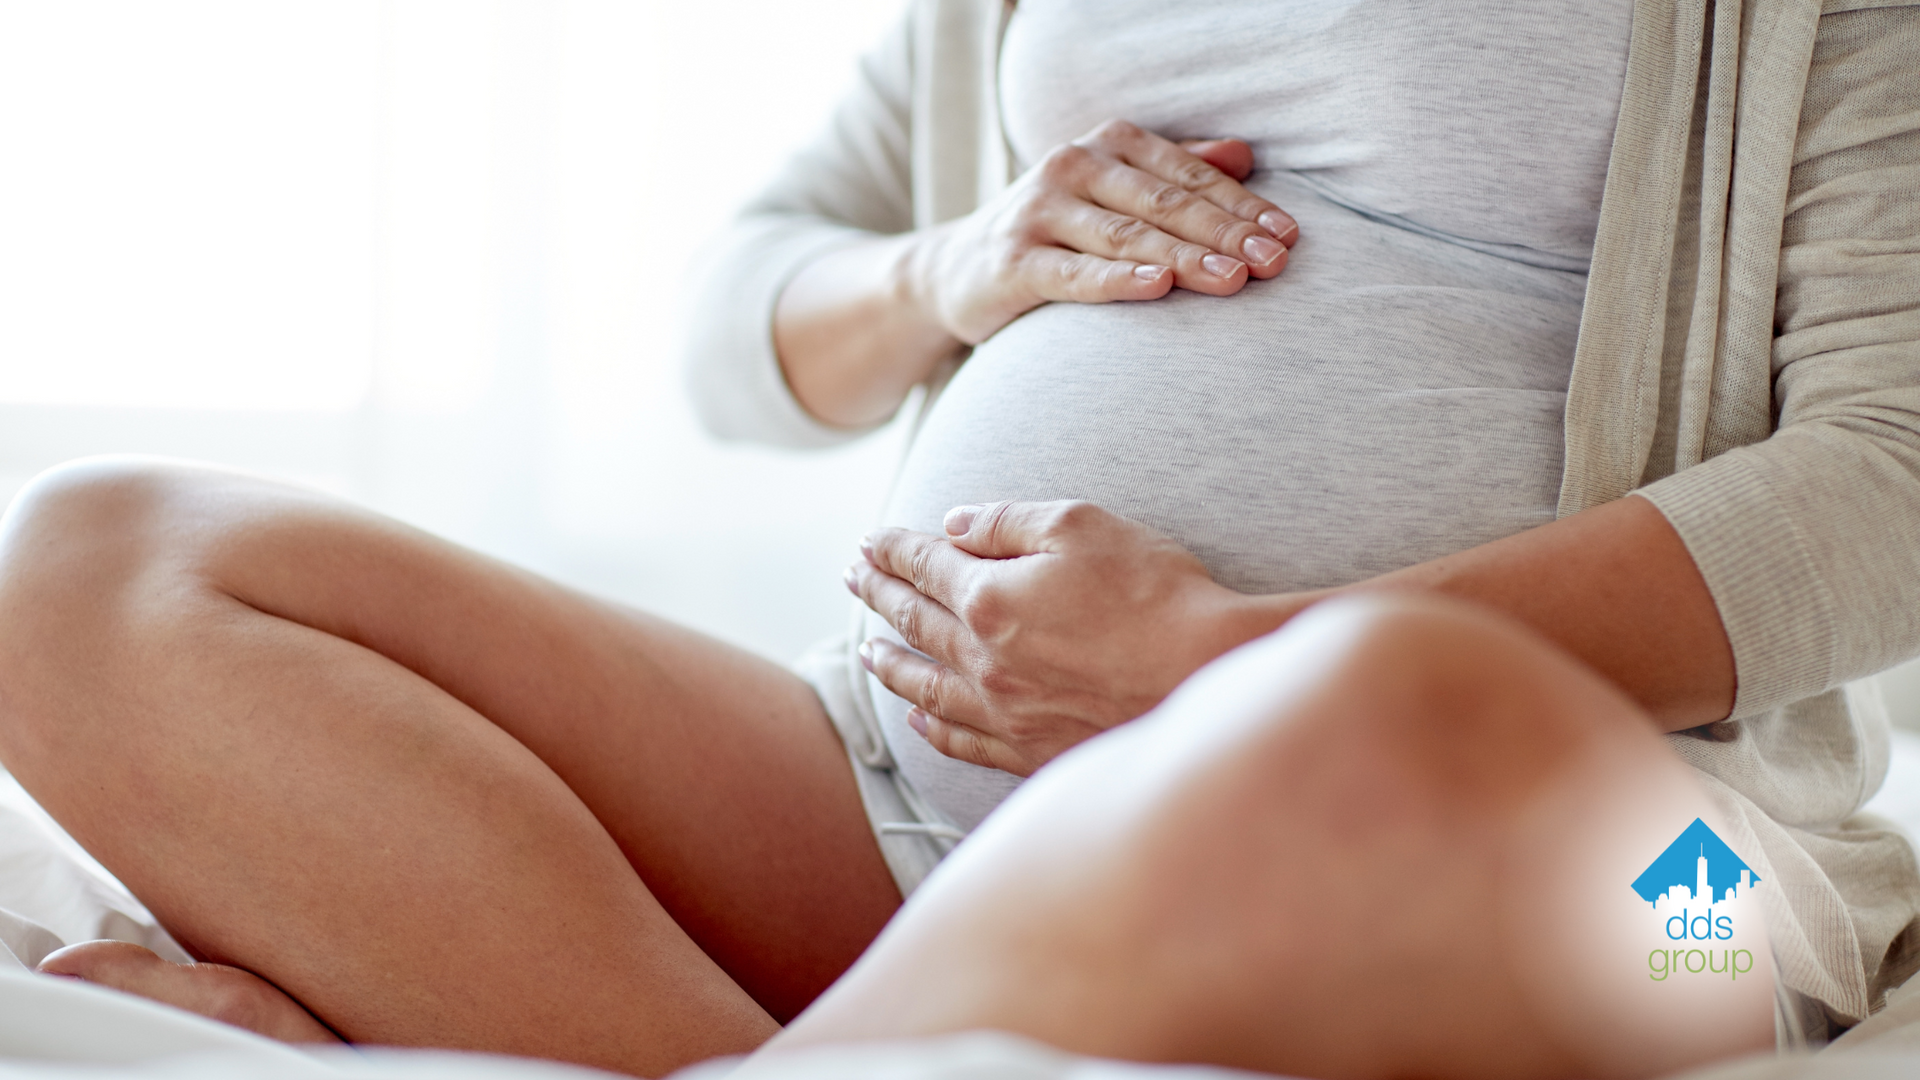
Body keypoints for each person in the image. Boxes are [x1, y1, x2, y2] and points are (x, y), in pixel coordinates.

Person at [0, 0, 1914, 1076]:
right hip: (910, 800)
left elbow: (1888, 479)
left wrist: (1221, 663)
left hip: (1657, 886)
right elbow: (733, 321)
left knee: (1400, 712)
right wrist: (954, 263)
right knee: (90, 570)